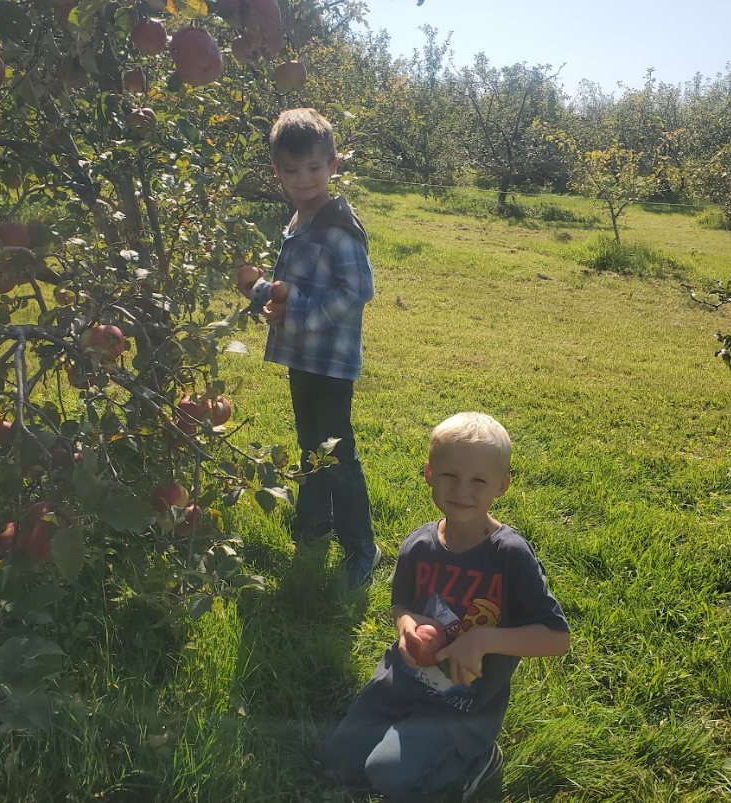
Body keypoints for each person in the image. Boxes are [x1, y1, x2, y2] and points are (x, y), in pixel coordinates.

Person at [322, 412, 570, 800]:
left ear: (502, 485)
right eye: (449, 475)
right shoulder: (419, 545)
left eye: (478, 480)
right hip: (402, 682)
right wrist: (407, 625)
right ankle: (405, 735)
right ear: (429, 473)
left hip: (462, 707)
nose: (461, 490)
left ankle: (478, 760)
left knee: (385, 773)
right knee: (338, 761)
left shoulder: (510, 556)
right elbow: (402, 604)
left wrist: (483, 640)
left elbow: (556, 638)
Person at [236, 108, 379, 588]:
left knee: (338, 451)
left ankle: (362, 546)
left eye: (314, 168)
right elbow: (289, 291)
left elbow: (356, 290)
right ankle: (314, 521)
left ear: (332, 164)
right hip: (302, 357)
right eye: (292, 170)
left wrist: (293, 312)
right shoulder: (298, 220)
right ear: (277, 171)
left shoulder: (337, 225)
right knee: (309, 442)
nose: (304, 179)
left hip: (332, 361)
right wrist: (259, 290)